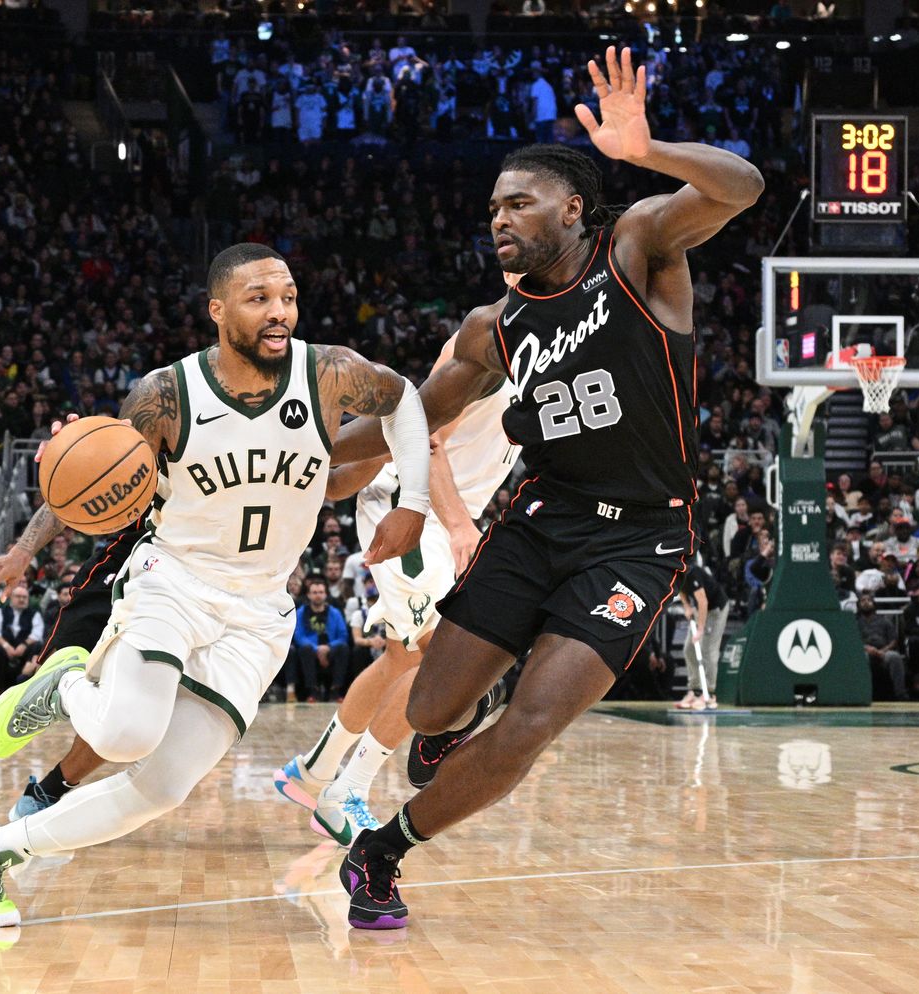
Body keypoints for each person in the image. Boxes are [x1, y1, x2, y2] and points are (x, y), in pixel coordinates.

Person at [326, 45, 763, 929]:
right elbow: (410, 419)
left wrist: (648, 153)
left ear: (572, 208)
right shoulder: (495, 326)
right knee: (428, 710)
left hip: (640, 540)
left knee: (531, 722)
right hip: (538, 520)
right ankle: (448, 726)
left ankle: (382, 851)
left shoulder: (637, 245)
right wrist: (298, 454)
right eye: (491, 209)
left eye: (516, 202)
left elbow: (742, 186)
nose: (498, 219)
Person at [0, 243, 432, 928]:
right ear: (218, 309)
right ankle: (63, 686)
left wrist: (415, 500)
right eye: (259, 298)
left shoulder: (329, 373)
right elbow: (90, 477)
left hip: (261, 610)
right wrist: (23, 550)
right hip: (174, 582)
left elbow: (404, 397)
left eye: (287, 296)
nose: (280, 311)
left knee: (162, 788)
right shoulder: (166, 395)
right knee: (129, 732)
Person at [276, 333, 520, 844]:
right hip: (414, 507)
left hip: (437, 510)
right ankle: (347, 793)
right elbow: (426, 436)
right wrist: (457, 526)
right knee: (439, 660)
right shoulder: (489, 341)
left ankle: (314, 772)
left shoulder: (549, 346)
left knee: (400, 661)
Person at [674, 555, 728, 710]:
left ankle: (709, 694)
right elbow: (680, 590)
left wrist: (700, 629)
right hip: (700, 609)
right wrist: (687, 607)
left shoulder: (692, 572)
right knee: (689, 650)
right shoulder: (676, 572)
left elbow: (703, 601)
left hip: (715, 609)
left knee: (708, 651)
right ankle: (695, 690)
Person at [290, 576, 351, 703]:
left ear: (326, 594)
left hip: (331, 649)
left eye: (321, 592)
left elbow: (343, 636)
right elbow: (298, 636)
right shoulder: (301, 612)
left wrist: (328, 647)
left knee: (343, 648)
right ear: (308, 595)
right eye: (315, 592)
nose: (318, 595)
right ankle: (313, 691)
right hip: (311, 650)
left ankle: (336, 690)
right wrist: (316, 648)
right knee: (304, 649)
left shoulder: (335, 613)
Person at [0, 584, 43, 695]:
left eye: (24, 597)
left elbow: (37, 634)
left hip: (25, 648)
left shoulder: (34, 614)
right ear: (11, 597)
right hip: (5, 648)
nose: (21, 599)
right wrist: (6, 646)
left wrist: (24, 645)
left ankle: (27, 689)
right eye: (18, 596)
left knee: (37, 647)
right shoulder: (0, 611)